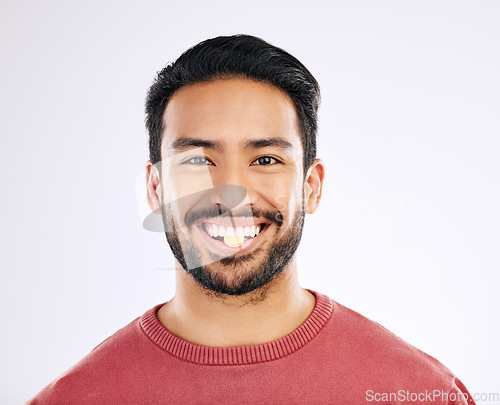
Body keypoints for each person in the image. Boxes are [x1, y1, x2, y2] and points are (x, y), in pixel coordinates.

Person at [27, 34, 476, 404]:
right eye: (198, 160)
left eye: (264, 159)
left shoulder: (424, 393)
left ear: (311, 186)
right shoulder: (72, 399)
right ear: (155, 188)